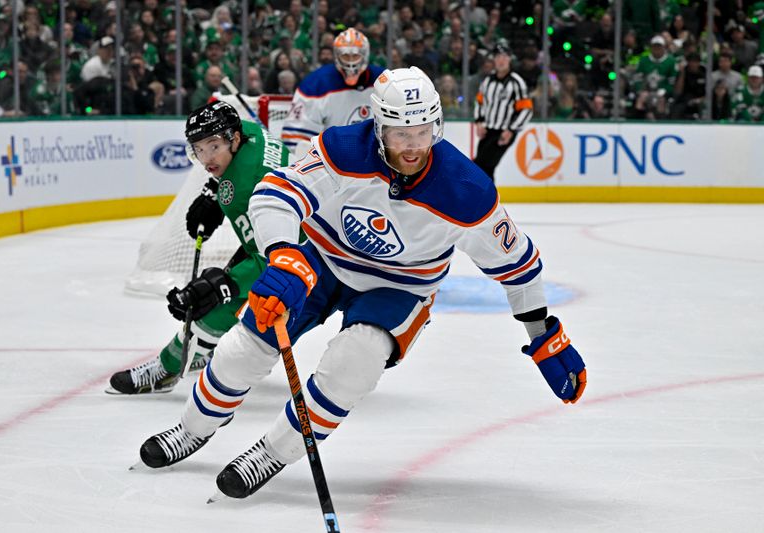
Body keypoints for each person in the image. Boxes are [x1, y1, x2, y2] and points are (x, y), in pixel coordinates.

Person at [136, 67, 587, 501]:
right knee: (246, 345)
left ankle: (272, 453)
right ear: (378, 127)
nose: (412, 147)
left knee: (356, 360)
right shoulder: (342, 148)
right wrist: (284, 255)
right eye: (400, 134)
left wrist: (543, 336)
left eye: (422, 132)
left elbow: (519, 266)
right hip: (324, 258)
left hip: (401, 286)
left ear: (438, 126)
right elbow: (276, 194)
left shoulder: (467, 191)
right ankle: (192, 429)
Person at [107, 100, 290, 394]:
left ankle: (165, 370)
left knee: (216, 307)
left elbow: (277, 261)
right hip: (300, 241)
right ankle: (209, 349)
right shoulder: (251, 133)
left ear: (234, 139)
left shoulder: (252, 190)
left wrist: (227, 284)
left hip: (309, 265)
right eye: (199, 149)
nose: (207, 159)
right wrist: (213, 192)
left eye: (213, 146)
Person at [280, 28, 385, 158]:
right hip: (333, 163)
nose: (351, 63)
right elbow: (295, 138)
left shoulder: (383, 81)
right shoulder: (316, 85)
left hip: (377, 159)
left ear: (365, 55)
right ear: (337, 56)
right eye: (346, 56)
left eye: (355, 56)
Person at [473, 42, 533, 182]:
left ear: (510, 59)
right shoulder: (488, 81)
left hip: (504, 132)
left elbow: (526, 109)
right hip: (488, 130)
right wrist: (479, 122)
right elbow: (480, 102)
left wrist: (511, 130)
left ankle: (485, 200)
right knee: (485, 168)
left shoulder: (516, 82)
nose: (501, 60)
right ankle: (487, 200)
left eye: (504, 56)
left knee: (482, 165)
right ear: (493, 59)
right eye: (498, 56)